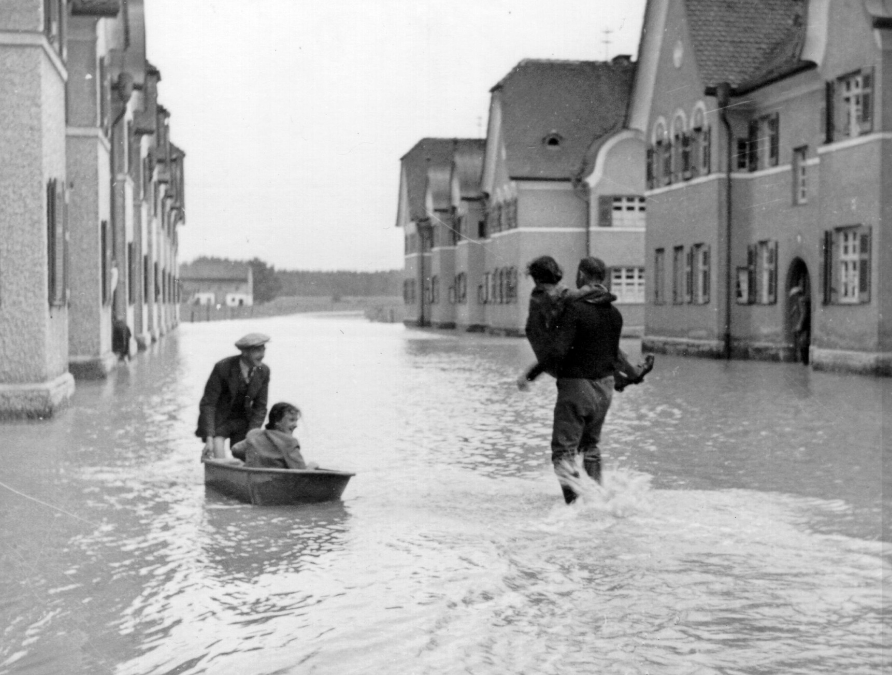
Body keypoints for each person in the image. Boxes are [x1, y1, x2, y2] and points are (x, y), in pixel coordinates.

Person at [526, 257, 624, 504]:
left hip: (577, 387)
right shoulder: (614, 313)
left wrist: (530, 374)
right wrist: (625, 378)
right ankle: (600, 500)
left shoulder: (574, 309)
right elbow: (613, 355)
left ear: (581, 274)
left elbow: (558, 351)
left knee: (563, 453)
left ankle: (575, 508)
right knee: (591, 447)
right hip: (605, 388)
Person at [517, 256, 653, 392]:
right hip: (560, 361)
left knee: (591, 339)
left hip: (551, 359)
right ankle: (630, 373)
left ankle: (620, 379)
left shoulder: (537, 297)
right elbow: (583, 294)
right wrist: (604, 293)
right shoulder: (554, 294)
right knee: (600, 340)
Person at [196, 333, 271, 461]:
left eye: (263, 349)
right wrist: (209, 437)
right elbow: (208, 403)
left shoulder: (263, 371)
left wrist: (252, 435)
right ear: (244, 352)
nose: (262, 355)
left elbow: (260, 407)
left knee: (248, 459)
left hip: (244, 422)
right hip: (220, 422)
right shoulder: (223, 367)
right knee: (219, 458)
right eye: (257, 350)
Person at [231, 402, 318, 470]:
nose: (296, 425)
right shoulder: (290, 442)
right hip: (276, 485)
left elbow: (235, 450)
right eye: (291, 420)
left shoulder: (254, 434)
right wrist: (311, 466)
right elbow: (303, 473)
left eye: (296, 420)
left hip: (252, 481)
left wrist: (252, 458)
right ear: (277, 421)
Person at [789, 286, 811, 365]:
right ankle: (803, 361)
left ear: (797, 294)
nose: (793, 297)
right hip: (803, 325)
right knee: (802, 343)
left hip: (803, 325)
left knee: (803, 343)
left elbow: (803, 313)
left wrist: (799, 325)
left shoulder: (801, 300)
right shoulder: (801, 300)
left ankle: (804, 361)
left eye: (794, 295)